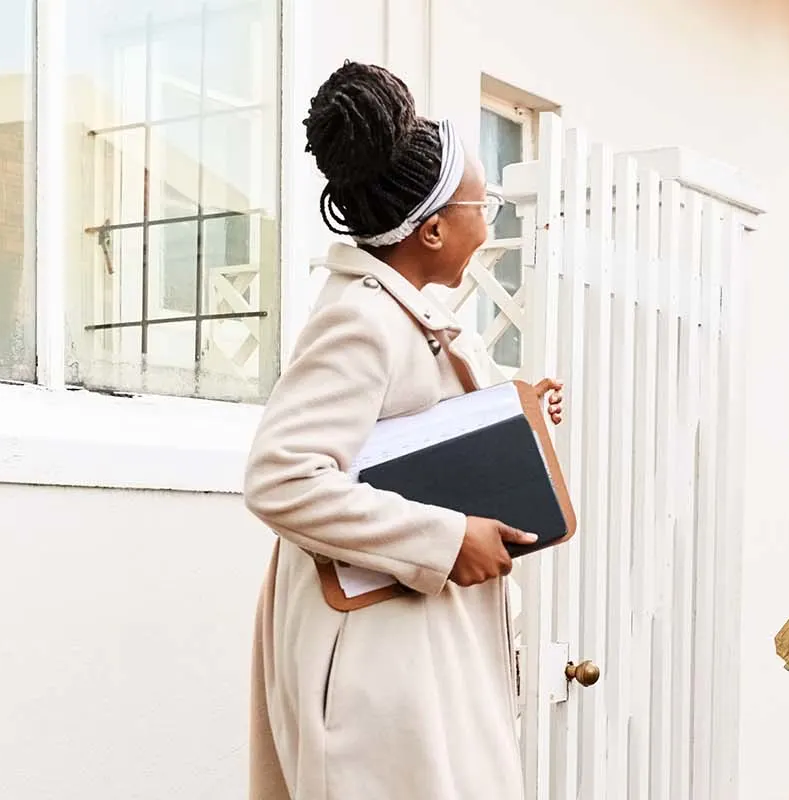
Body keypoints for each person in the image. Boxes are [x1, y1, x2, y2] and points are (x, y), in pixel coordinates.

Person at [240, 61, 562, 800]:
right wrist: (445, 538)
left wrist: (515, 417)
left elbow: (406, 433)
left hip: (416, 647)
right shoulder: (361, 318)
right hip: (378, 660)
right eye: (486, 206)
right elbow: (282, 476)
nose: (493, 223)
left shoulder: (405, 312)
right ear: (436, 227)